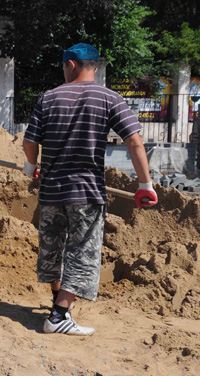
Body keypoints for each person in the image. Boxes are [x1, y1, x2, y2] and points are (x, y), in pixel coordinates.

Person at [22, 43, 158, 336]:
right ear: (94, 67)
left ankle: (58, 305)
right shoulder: (109, 98)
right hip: (85, 191)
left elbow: (29, 142)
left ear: (71, 64)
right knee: (82, 252)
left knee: (52, 250)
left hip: (51, 191)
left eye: (63, 66)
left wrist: (30, 164)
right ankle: (58, 316)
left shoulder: (48, 98)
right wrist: (145, 185)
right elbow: (134, 141)